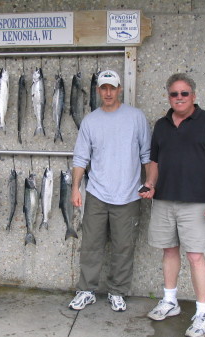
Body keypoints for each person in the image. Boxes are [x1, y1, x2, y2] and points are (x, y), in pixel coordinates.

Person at [142, 73, 205, 337]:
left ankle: (203, 313)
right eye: (173, 94)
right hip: (165, 200)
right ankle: (170, 301)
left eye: (184, 93)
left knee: (195, 256)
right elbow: (155, 162)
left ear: (194, 95)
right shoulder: (161, 125)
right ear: (168, 96)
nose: (178, 98)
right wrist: (150, 183)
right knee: (169, 251)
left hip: (197, 203)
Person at [68, 70, 152, 312]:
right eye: (103, 88)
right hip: (96, 193)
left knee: (123, 246)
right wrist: (76, 188)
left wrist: (151, 183)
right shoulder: (90, 121)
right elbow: (81, 158)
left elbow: (147, 155)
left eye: (112, 88)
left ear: (119, 89)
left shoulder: (136, 117)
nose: (107, 92)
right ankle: (87, 290)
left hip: (128, 195)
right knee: (91, 245)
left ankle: (117, 292)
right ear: (98, 90)